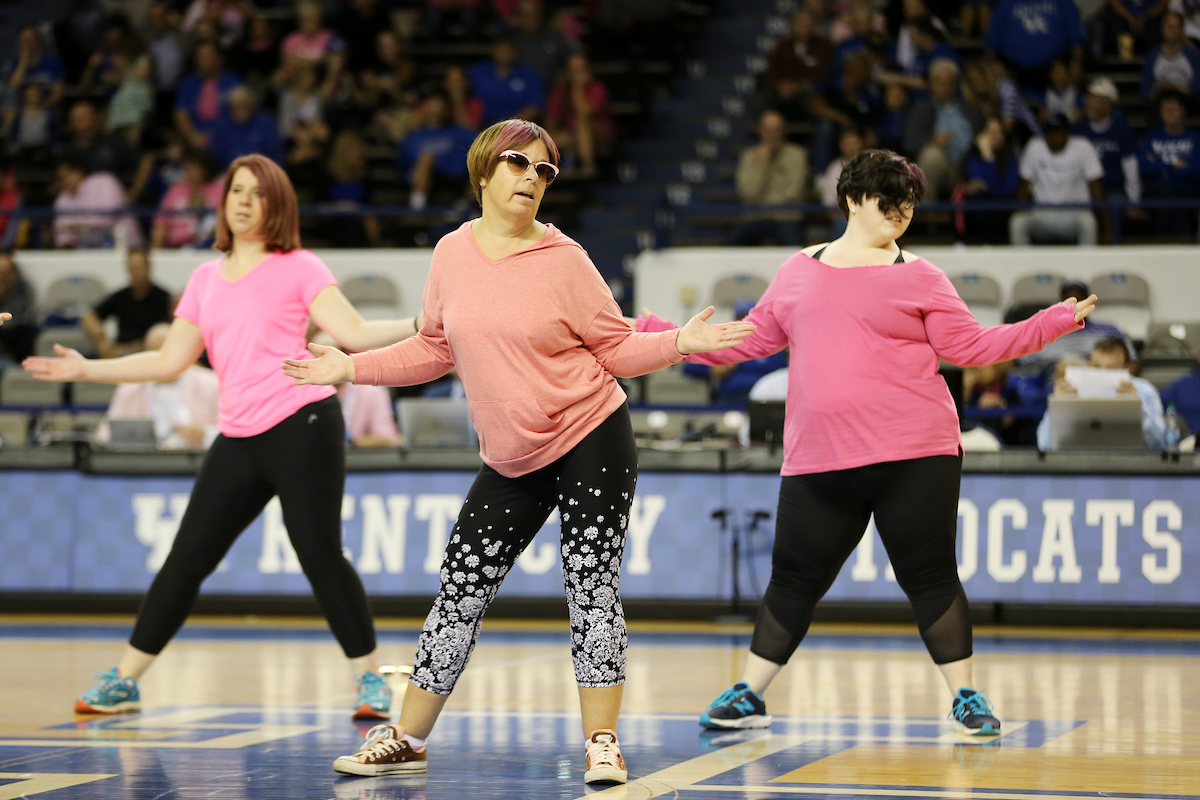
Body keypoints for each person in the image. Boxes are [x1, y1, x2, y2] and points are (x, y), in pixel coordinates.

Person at [281, 119, 755, 785]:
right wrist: (349, 369)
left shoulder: (565, 260)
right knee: (459, 592)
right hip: (510, 457)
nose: (532, 177)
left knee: (590, 588)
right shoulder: (451, 254)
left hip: (591, 434)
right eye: (518, 163)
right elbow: (434, 348)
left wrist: (678, 342)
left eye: (545, 171)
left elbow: (615, 347)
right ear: (483, 173)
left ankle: (602, 743)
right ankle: (409, 740)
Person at [635, 149, 1098, 738]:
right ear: (852, 199)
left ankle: (966, 698)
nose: (900, 212)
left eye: (908, 203)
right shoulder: (798, 270)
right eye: (888, 200)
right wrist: (666, 335)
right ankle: (750, 694)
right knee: (792, 577)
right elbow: (748, 342)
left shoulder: (922, 275)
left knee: (930, 575)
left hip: (917, 453)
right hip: (819, 457)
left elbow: (973, 348)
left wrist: (1054, 320)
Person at [24, 153, 422, 722]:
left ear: (276, 204)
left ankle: (370, 680)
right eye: (236, 190)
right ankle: (127, 680)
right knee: (186, 558)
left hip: (302, 422)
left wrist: (418, 322)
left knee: (318, 552)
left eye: (256, 194)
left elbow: (355, 332)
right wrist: (86, 369)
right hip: (237, 435)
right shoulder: (204, 278)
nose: (242, 201)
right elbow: (168, 360)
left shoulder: (301, 267)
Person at [94, 322, 221, 450]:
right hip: (145, 463)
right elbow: (104, 435)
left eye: (166, 352)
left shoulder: (211, 383)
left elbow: (232, 436)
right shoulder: (130, 387)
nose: (160, 360)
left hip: (194, 461)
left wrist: (204, 435)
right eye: (155, 353)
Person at [1036, 336, 1165, 450]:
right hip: (1082, 462)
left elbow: (1158, 444)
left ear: (1126, 370)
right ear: (1089, 364)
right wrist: (1060, 405)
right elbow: (1044, 444)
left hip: (1127, 463)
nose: (1102, 374)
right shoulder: (1072, 388)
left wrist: (1136, 405)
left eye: (1111, 369)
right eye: (1097, 367)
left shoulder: (1144, 391)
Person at [1009, 113, 1106, 246]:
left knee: (1088, 222)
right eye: (1049, 133)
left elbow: (1096, 189)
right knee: (1017, 222)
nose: (1053, 137)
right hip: (1043, 213)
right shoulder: (1034, 146)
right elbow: (1023, 188)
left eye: (1058, 133)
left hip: (1075, 213)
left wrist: (1108, 228)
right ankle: (1025, 266)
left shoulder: (1083, 146)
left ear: (1067, 133)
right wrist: (1022, 209)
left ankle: (1086, 265)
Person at [902, 58, 984, 201]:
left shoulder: (972, 112)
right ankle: (926, 215)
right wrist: (932, 140)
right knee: (932, 156)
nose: (944, 87)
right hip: (941, 165)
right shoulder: (920, 112)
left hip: (967, 167)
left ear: (956, 85)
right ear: (931, 85)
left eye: (949, 82)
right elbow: (909, 144)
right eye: (939, 82)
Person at [730, 109, 809, 246]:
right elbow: (748, 193)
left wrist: (764, 204)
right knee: (733, 241)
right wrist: (763, 164)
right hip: (755, 218)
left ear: (784, 131)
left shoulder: (797, 155)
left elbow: (793, 193)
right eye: (768, 130)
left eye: (776, 130)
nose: (772, 135)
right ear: (761, 131)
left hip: (785, 218)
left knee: (795, 244)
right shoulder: (749, 156)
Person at [82, 249, 174, 358]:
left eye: (139, 268)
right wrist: (101, 340)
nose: (135, 273)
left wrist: (129, 349)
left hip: (148, 354)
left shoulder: (163, 297)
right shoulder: (121, 296)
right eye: (132, 268)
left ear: (148, 268)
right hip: (120, 350)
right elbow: (90, 316)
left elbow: (164, 332)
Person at [1138, 89, 1200, 237]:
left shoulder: (1194, 138)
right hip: (1155, 191)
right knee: (1165, 199)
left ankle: (1170, 243)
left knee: (1171, 200)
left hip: (1187, 191)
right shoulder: (1151, 138)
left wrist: (1159, 164)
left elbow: (1196, 169)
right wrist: (1173, 165)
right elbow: (1144, 167)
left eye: (1174, 109)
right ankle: (1177, 243)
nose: (1170, 113)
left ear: (1183, 111)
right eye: (1166, 110)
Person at [52, 153, 142, 249]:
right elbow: (60, 229)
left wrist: (76, 226)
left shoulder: (105, 181)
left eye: (66, 176)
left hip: (127, 247)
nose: (63, 181)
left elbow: (108, 216)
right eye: (60, 178)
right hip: (87, 251)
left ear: (79, 172)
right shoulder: (63, 198)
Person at [1141, 12, 1200, 97]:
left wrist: (1175, 88)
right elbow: (1144, 90)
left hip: (1187, 103)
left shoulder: (1193, 55)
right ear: (1162, 28)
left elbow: (1197, 87)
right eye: (1168, 26)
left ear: (1181, 30)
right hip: (1160, 102)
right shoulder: (1152, 56)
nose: (1171, 30)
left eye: (1175, 26)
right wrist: (1159, 87)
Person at [0, 249, 36, 370]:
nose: (1, 279)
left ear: (14, 275)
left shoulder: (22, 299)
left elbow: (20, 335)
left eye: (5, 274)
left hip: (12, 356)